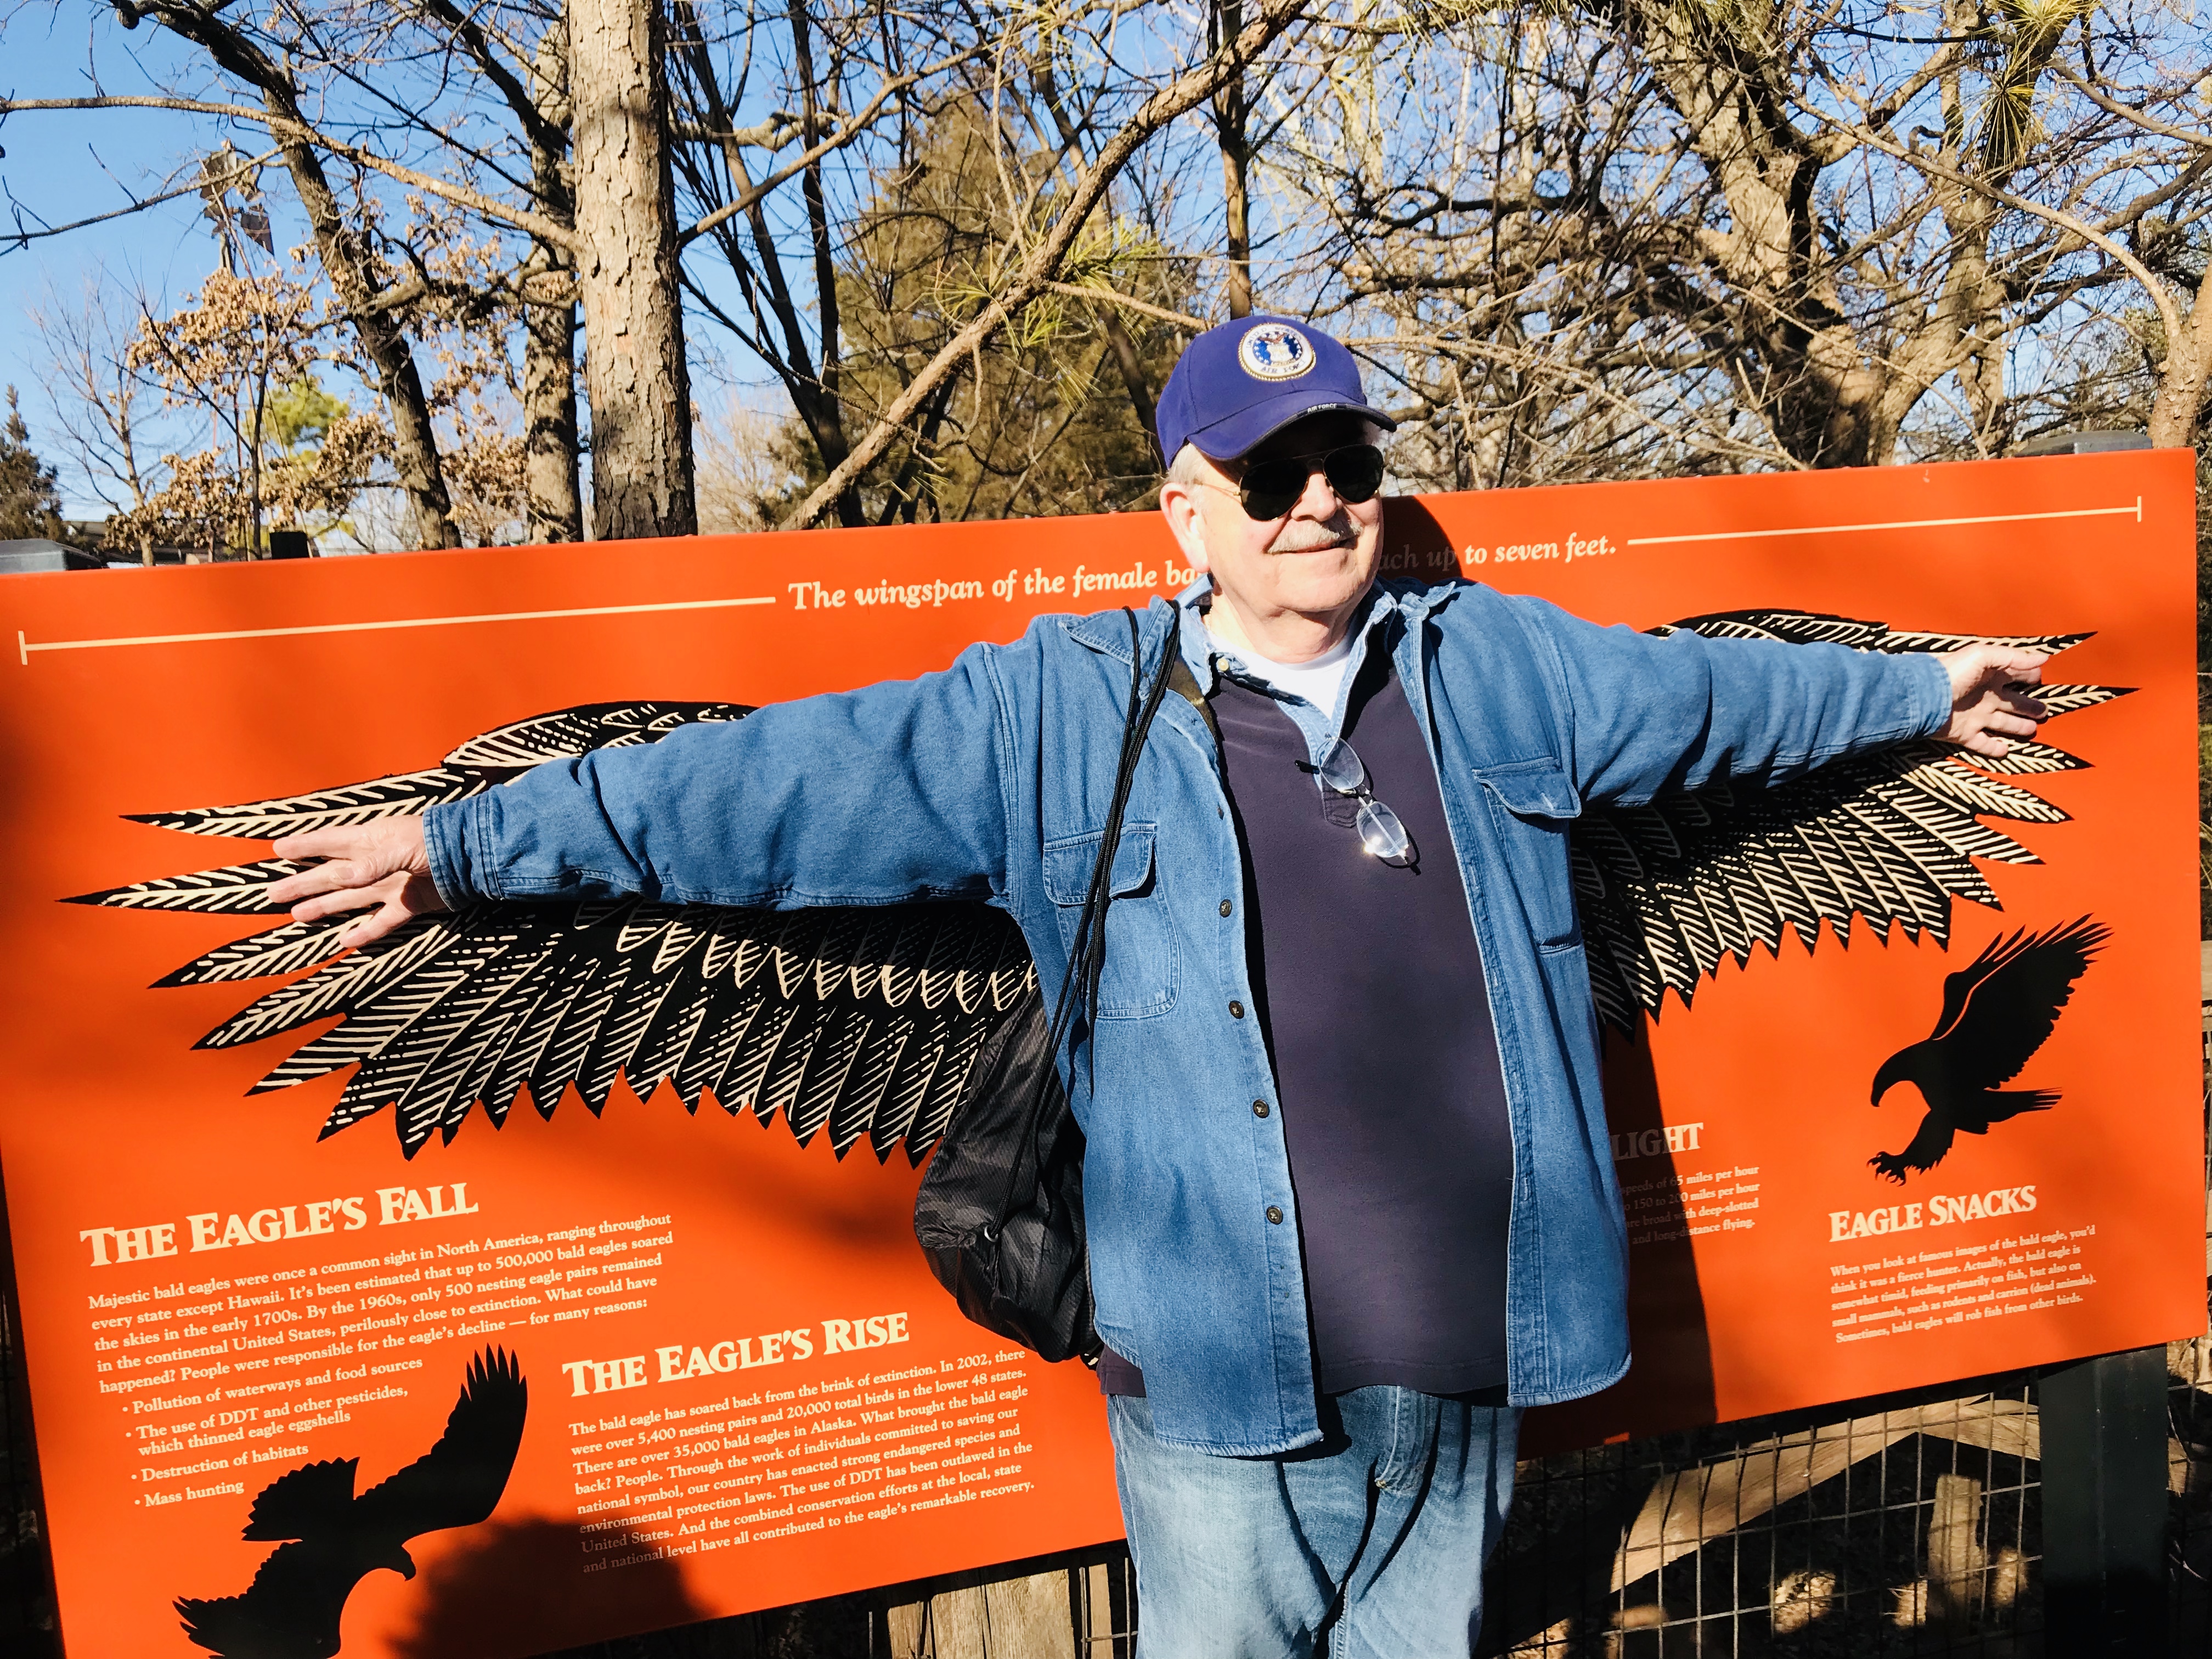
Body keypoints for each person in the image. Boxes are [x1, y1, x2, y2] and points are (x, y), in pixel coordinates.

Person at [268, 316, 2046, 1657]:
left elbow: (1711, 703)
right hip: (1221, 1395)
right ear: (1186, 510)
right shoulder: (1056, 713)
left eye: (1348, 460)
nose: (1323, 503)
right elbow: (761, 790)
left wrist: (1920, 692)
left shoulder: (1493, 666)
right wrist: (466, 850)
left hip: (1472, 1368)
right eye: (1272, 476)